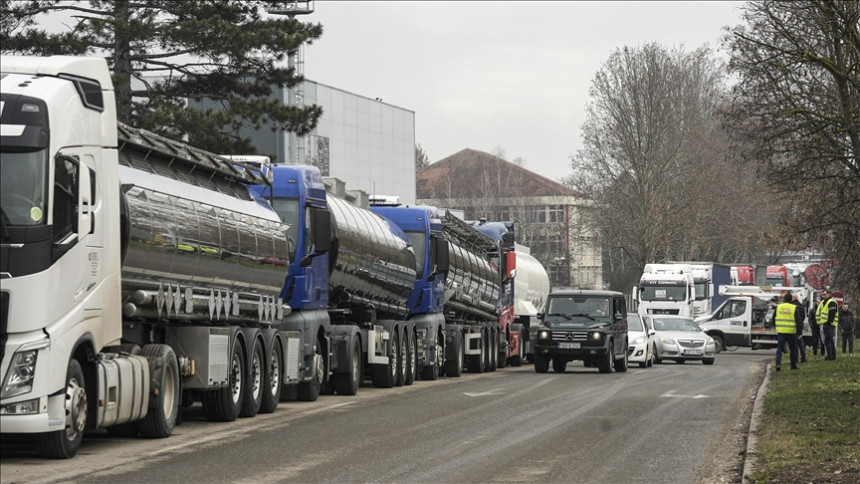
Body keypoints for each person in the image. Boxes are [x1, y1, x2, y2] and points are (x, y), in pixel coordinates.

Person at [772, 292, 801, 371]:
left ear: (784, 299)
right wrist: (799, 332)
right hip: (791, 331)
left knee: (779, 348)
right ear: (791, 299)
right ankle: (793, 365)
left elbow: (773, 318)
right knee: (793, 349)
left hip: (781, 331)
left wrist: (775, 326)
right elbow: (798, 321)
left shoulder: (778, 307)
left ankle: (778, 364)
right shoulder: (794, 307)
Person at [816, 288, 839, 361]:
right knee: (829, 341)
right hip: (825, 324)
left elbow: (832, 314)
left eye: (824, 294)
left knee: (828, 341)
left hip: (829, 324)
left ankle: (830, 357)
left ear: (829, 294)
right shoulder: (824, 302)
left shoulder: (831, 302)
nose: (823, 295)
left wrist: (828, 323)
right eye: (822, 294)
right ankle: (831, 356)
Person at [792, 293, 807, 363]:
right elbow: (803, 316)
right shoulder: (801, 305)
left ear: (793, 298)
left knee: (795, 344)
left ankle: (795, 359)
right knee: (800, 343)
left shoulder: (793, 306)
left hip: (794, 326)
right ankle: (803, 357)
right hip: (800, 325)